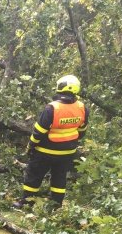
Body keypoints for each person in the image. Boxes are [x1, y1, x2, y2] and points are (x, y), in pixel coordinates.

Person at [13, 75, 89, 208]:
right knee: (59, 178)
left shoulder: (52, 108)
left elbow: (39, 131)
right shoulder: (82, 108)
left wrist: (31, 146)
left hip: (45, 151)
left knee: (34, 175)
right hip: (67, 152)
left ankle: (26, 202)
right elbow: (82, 131)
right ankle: (56, 205)